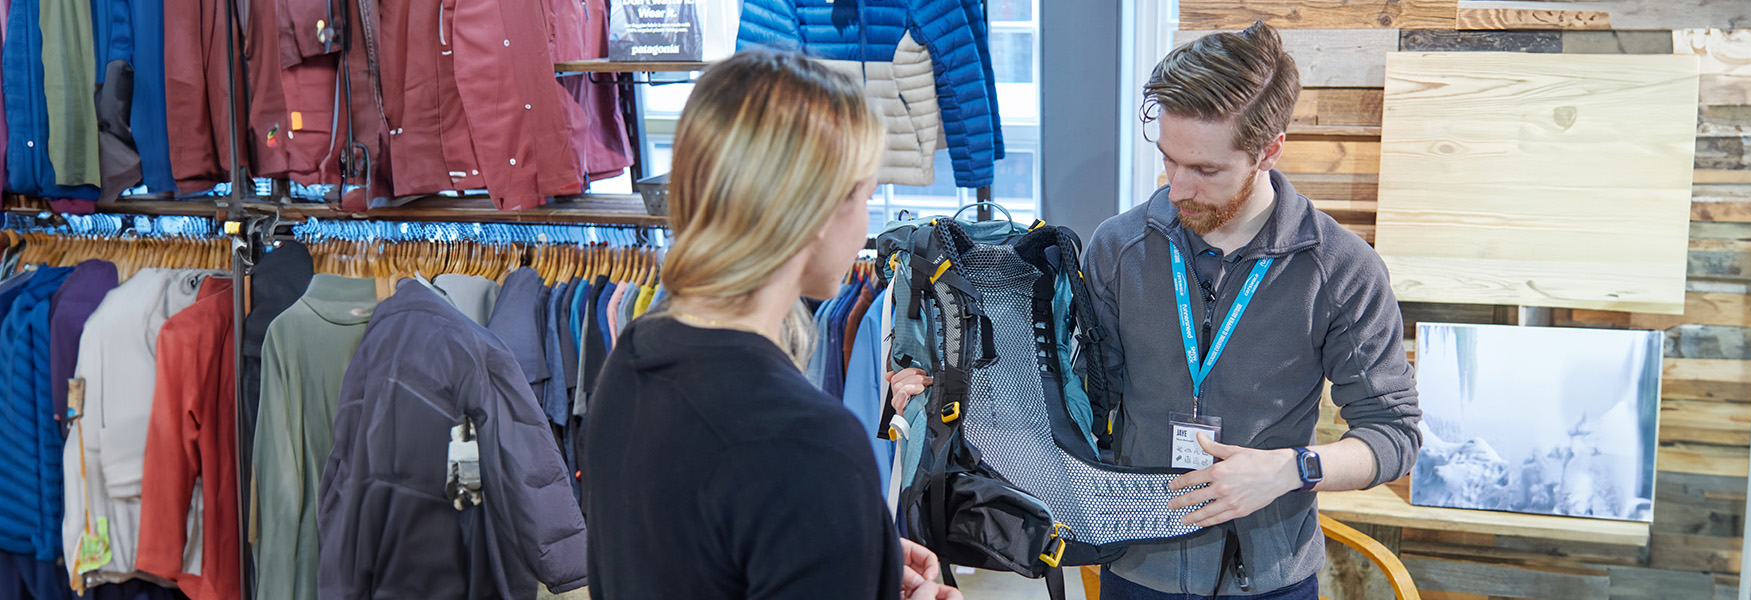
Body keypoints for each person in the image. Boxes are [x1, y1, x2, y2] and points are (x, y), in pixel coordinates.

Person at [890, 22, 1419, 598]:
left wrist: (1290, 469)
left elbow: (1393, 434)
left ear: (1269, 150)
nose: (1177, 188)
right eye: (1168, 159)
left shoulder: (1340, 269)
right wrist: (944, 396)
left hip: (1268, 578)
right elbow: (1069, 400)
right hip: (1135, 564)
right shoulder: (1118, 248)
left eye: (1205, 170)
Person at [582, 50, 962, 600]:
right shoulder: (810, 444)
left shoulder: (634, 354)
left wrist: (847, 550)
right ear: (813, 212)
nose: (867, 220)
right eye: (864, 195)